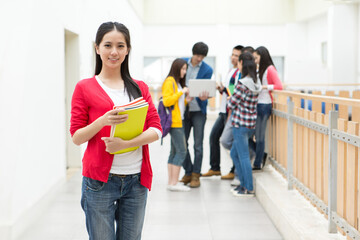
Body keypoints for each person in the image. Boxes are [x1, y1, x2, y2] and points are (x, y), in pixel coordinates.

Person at [70, 22, 162, 240]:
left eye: (120, 46)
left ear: (127, 50)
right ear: (97, 48)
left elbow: (156, 129)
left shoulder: (140, 87)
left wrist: (126, 145)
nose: (114, 52)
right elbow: (76, 137)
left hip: (136, 180)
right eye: (108, 45)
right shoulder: (84, 87)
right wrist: (102, 121)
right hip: (99, 182)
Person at [202, 45, 243, 178]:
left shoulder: (240, 73)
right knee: (213, 137)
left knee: (229, 140)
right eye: (232, 54)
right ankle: (215, 168)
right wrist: (221, 88)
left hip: (230, 112)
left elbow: (234, 92)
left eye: (236, 55)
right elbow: (229, 91)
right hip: (223, 109)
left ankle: (234, 169)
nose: (233, 57)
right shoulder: (231, 71)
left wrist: (224, 90)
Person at [180, 42, 213, 188]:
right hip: (183, 109)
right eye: (198, 56)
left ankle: (196, 175)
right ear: (192, 53)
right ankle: (188, 171)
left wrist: (205, 96)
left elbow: (205, 88)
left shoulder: (207, 69)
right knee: (182, 143)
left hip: (199, 110)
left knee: (198, 145)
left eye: (202, 57)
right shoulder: (182, 63)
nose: (200, 59)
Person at [228, 52, 261, 196]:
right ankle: (243, 184)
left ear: (242, 63)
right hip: (250, 124)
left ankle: (247, 187)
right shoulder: (255, 82)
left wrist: (230, 97)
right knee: (235, 153)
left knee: (243, 156)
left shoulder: (242, 83)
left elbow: (232, 102)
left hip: (240, 124)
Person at [251, 46, 283, 170]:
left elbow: (279, 86)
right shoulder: (261, 69)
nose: (255, 60)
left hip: (265, 105)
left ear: (262, 56)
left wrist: (264, 87)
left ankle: (258, 162)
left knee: (259, 136)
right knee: (254, 135)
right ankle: (260, 156)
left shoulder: (270, 69)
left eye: (256, 58)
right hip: (258, 104)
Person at [161, 58, 191, 192]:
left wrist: (186, 100)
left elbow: (177, 105)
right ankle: (173, 183)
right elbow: (167, 101)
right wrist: (181, 92)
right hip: (175, 122)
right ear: (177, 68)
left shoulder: (176, 82)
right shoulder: (170, 81)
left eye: (186, 69)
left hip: (178, 119)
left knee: (174, 151)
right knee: (182, 150)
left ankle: (172, 182)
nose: (184, 71)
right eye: (183, 69)